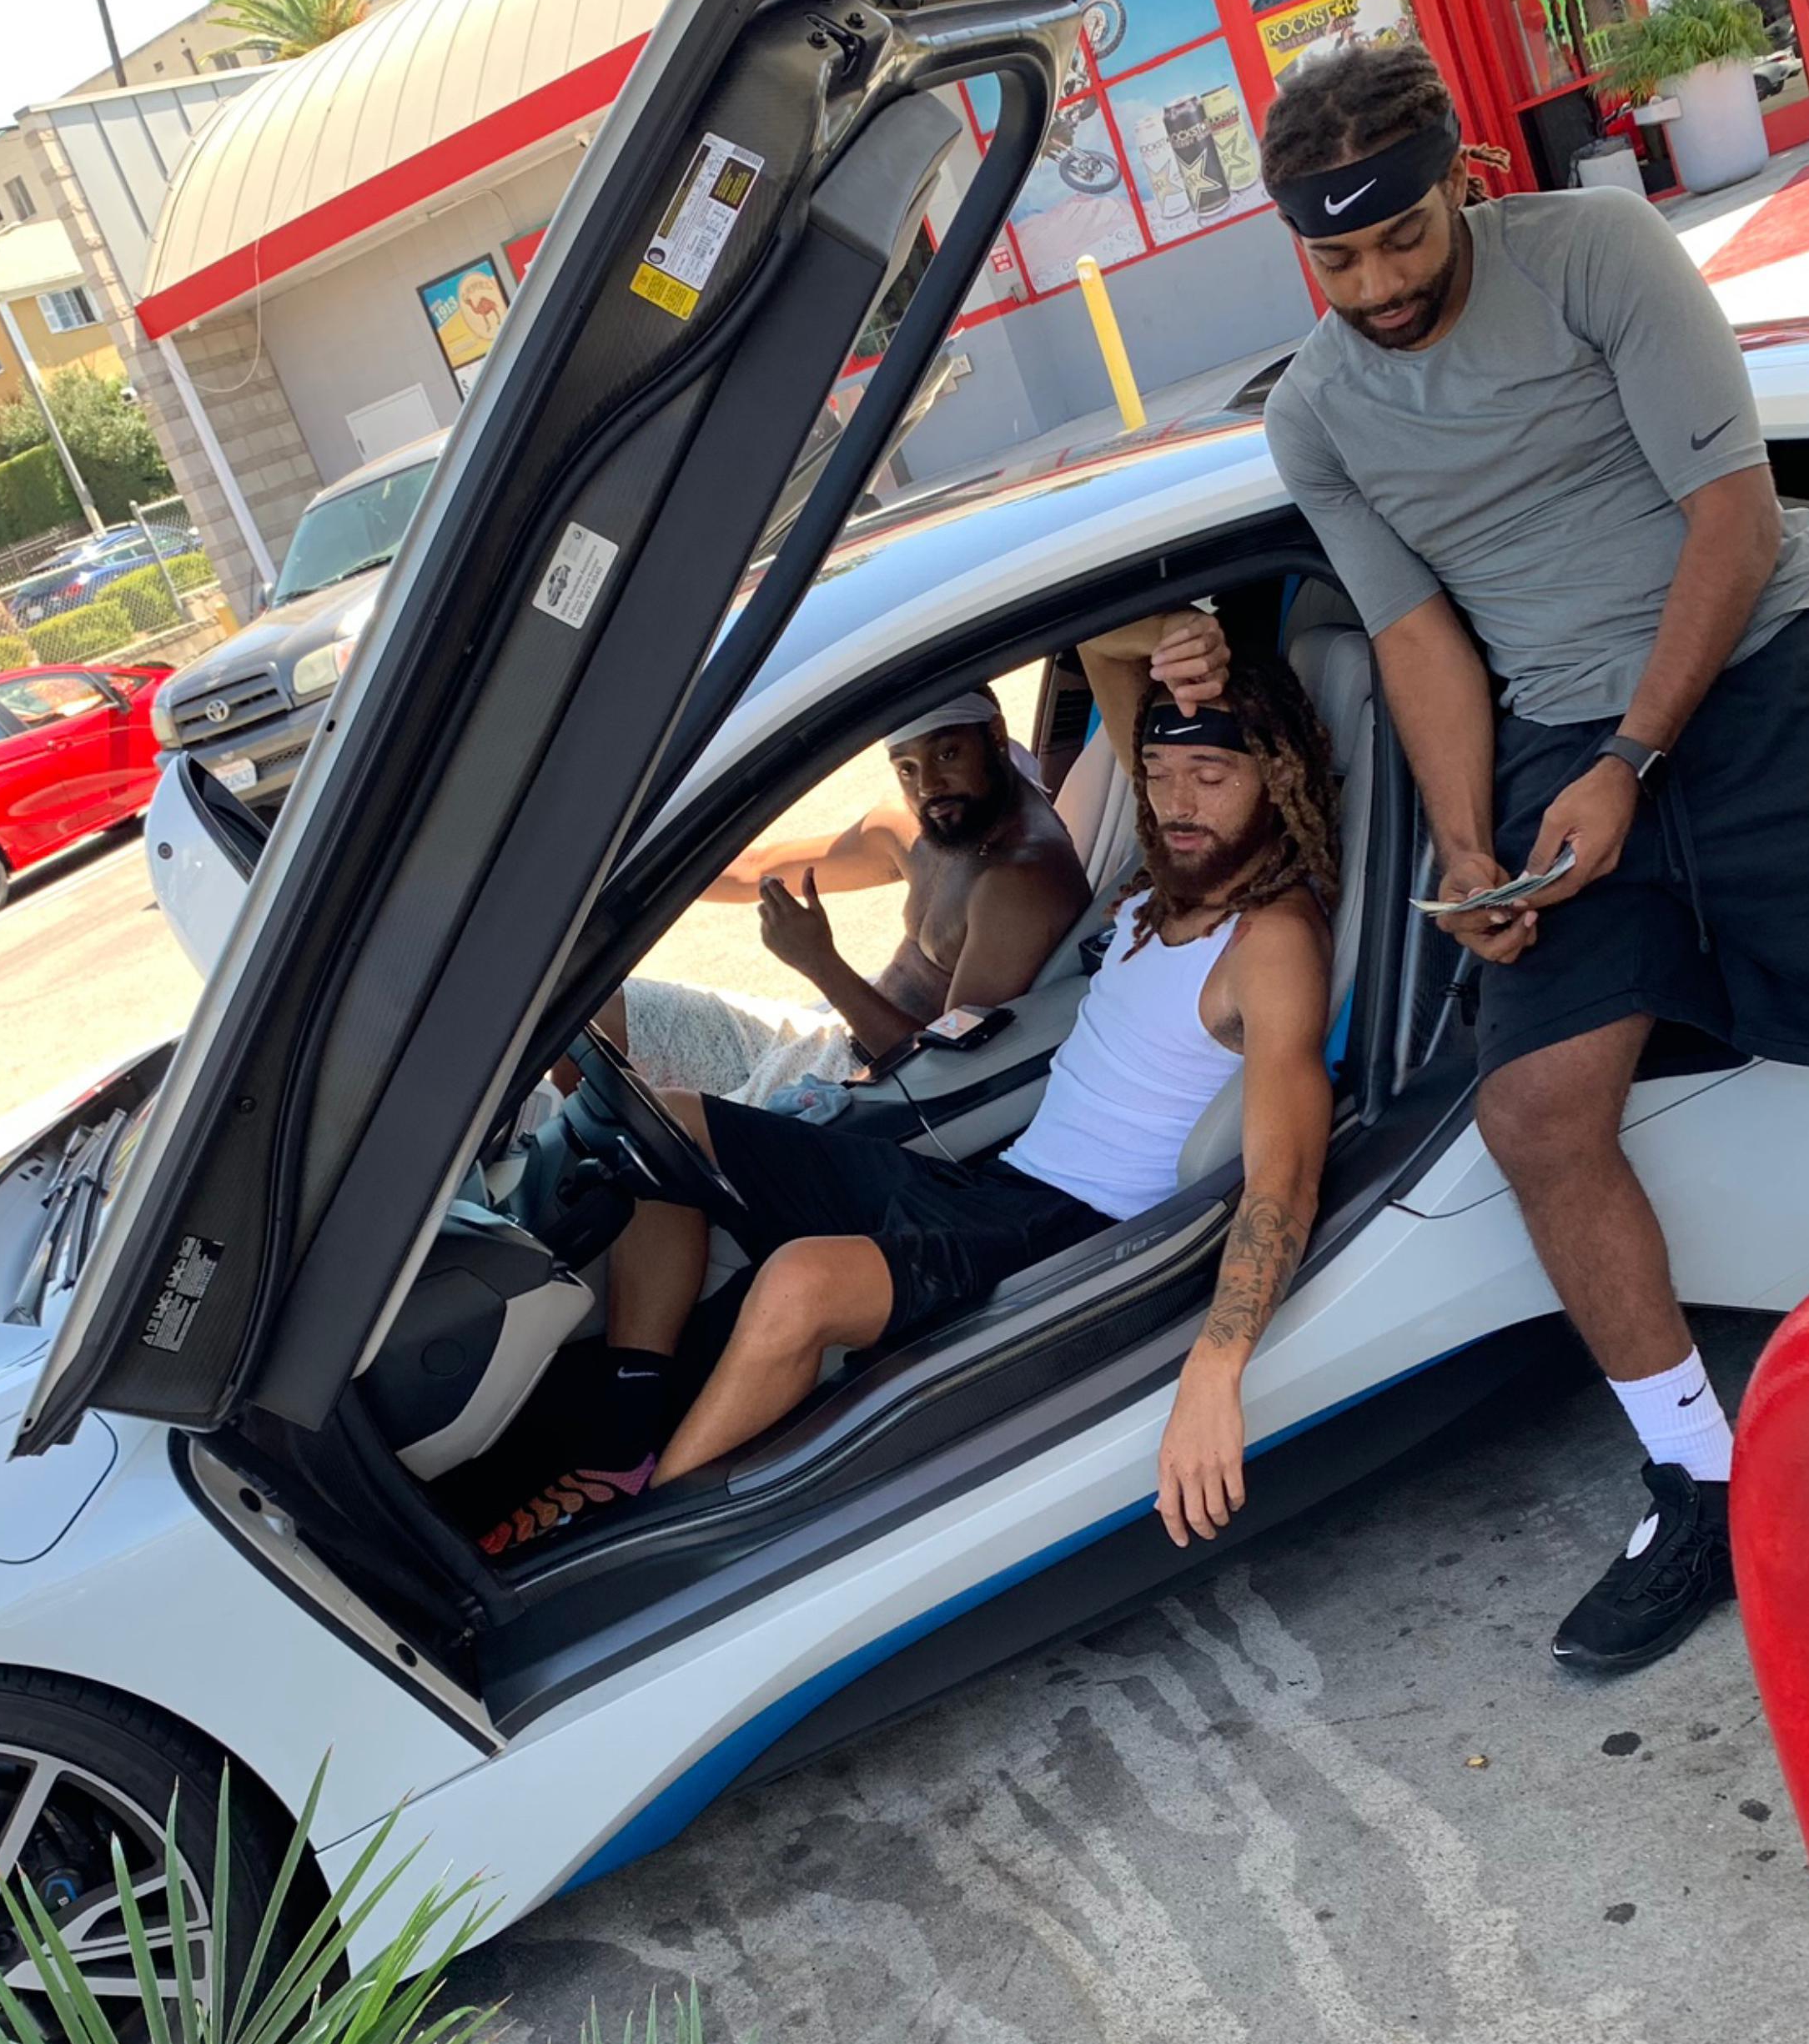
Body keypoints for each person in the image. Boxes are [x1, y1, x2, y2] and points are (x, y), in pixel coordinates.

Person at [1254, 40, 1809, 1672]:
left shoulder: (1596, 254)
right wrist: (1471, 843)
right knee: (1536, 1113)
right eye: (1338, 260)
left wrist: (1631, 760)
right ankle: (1702, 1479)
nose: (1377, 285)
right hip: (1561, 741)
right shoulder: (1315, 414)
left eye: (1402, 238)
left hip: (1775, 670)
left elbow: (1731, 516)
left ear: (1465, 182)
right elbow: (1415, 632)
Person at [484, 648, 1340, 1553]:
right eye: (1160, 772)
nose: (1177, 803)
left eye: (1211, 774)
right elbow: (1113, 659)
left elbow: (1282, 1183)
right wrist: (1174, 637)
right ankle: (625, 1436)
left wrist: (1215, 1369)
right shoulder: (1165, 884)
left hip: (1070, 1233)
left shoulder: (1272, 941)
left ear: (1277, 777)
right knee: (669, 1125)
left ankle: (642, 1538)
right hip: (996, 1182)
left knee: (801, 1282)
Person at [603, 691, 1089, 1113]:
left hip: (864, 1090)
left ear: (995, 735)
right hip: (826, 1036)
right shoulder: (922, 827)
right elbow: (755, 869)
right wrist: (608, 879)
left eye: (947, 754)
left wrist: (820, 962)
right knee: (605, 1014)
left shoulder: (1017, 882)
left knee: (650, 1131)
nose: (927, 787)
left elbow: (948, 1071)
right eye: (906, 768)